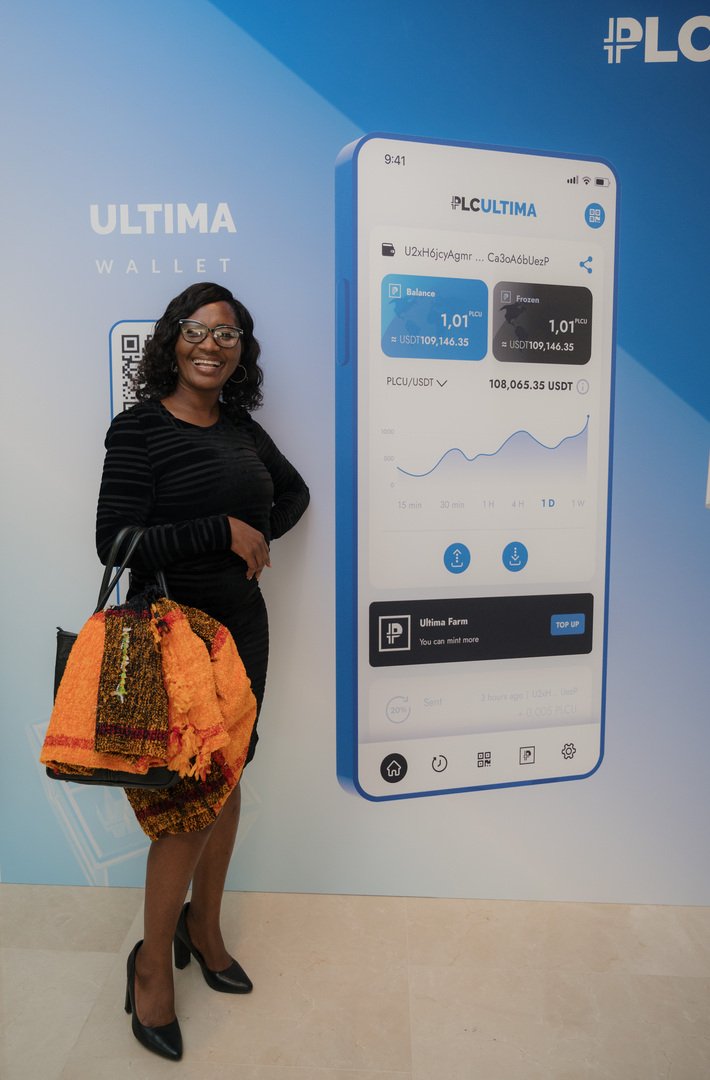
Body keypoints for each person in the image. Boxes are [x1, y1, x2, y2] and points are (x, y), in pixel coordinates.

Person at [96, 282, 309, 1060]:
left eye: (227, 334)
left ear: (240, 353)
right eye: (196, 330)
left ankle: (204, 928)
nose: (210, 345)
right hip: (171, 637)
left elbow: (295, 493)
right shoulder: (140, 429)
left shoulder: (243, 432)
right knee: (188, 804)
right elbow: (116, 542)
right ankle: (151, 967)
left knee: (229, 778)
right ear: (172, 340)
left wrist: (258, 535)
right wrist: (221, 529)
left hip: (242, 633)